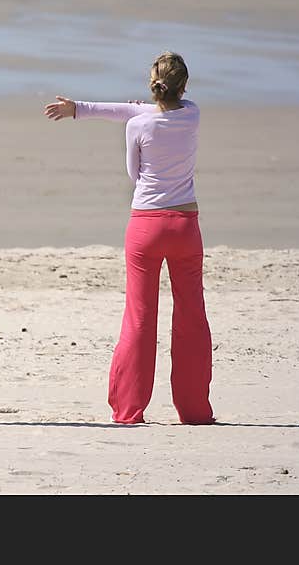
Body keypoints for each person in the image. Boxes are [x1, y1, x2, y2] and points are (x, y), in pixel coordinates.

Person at [44, 52, 215, 425]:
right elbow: (144, 109)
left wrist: (80, 109)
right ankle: (195, 410)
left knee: (139, 317)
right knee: (192, 315)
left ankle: (129, 410)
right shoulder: (193, 113)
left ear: (152, 85)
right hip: (186, 225)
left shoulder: (138, 126)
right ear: (184, 87)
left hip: (146, 227)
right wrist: (88, 108)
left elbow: (133, 173)